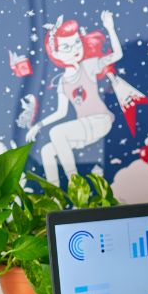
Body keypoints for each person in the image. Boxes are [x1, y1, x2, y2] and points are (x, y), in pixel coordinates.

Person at [26, 12, 122, 184]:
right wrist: (38, 125)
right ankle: (55, 195)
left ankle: (75, 183)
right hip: (84, 128)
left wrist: (110, 28)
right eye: (66, 47)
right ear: (55, 53)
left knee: (57, 132)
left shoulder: (89, 65)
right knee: (46, 151)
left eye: (77, 43)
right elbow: (61, 112)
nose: (75, 49)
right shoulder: (62, 82)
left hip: (100, 121)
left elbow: (117, 55)